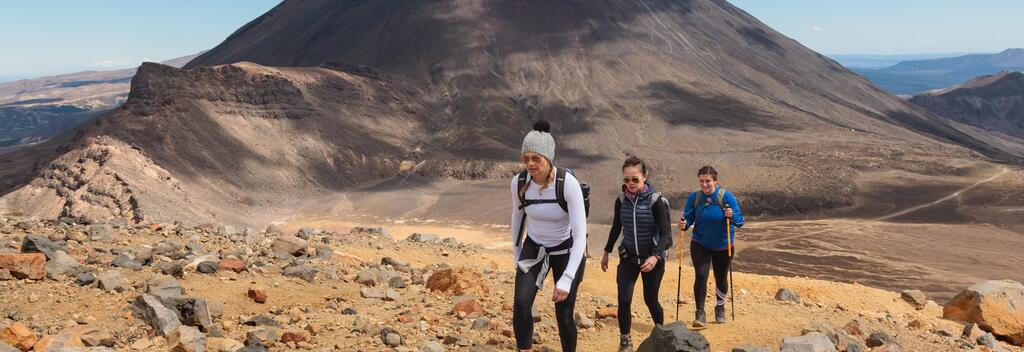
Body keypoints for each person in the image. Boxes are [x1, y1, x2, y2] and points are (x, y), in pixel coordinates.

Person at [510, 120, 587, 352]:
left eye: (536, 158)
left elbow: (580, 235)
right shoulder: (519, 183)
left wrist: (567, 278)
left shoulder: (567, 184)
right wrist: (516, 256)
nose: (530, 164)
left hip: (566, 250)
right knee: (521, 305)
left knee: (564, 314)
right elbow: (517, 218)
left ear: (548, 157)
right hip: (534, 247)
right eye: (526, 158)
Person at [601, 156, 671, 352]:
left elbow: (665, 233)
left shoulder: (656, 200)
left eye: (635, 179)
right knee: (624, 299)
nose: (630, 184)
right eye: (626, 180)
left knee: (651, 299)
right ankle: (625, 341)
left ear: (645, 177)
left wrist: (656, 256)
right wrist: (606, 251)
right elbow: (616, 226)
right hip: (628, 258)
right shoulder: (621, 200)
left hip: (652, 260)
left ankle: (660, 334)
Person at [679, 165, 744, 327]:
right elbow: (688, 218)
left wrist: (731, 215)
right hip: (700, 243)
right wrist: (684, 224)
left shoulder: (726, 197)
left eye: (708, 181)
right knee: (701, 275)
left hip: (723, 245)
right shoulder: (695, 197)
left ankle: (720, 307)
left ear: (715, 180)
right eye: (701, 181)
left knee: (720, 277)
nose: (704, 184)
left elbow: (740, 221)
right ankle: (700, 313)